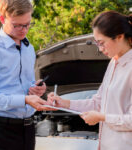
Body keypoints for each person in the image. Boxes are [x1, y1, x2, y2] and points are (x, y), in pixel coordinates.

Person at [48, 10, 132, 150]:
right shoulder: (113, 63)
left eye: (102, 43)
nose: (100, 48)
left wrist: (101, 117)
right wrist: (64, 103)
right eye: (97, 43)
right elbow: (97, 102)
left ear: (119, 37)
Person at [0, 0, 51, 150]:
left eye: (27, 24)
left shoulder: (29, 48)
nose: (23, 30)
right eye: (17, 25)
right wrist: (24, 99)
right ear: (2, 19)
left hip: (28, 129)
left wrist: (35, 89)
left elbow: (23, 87)